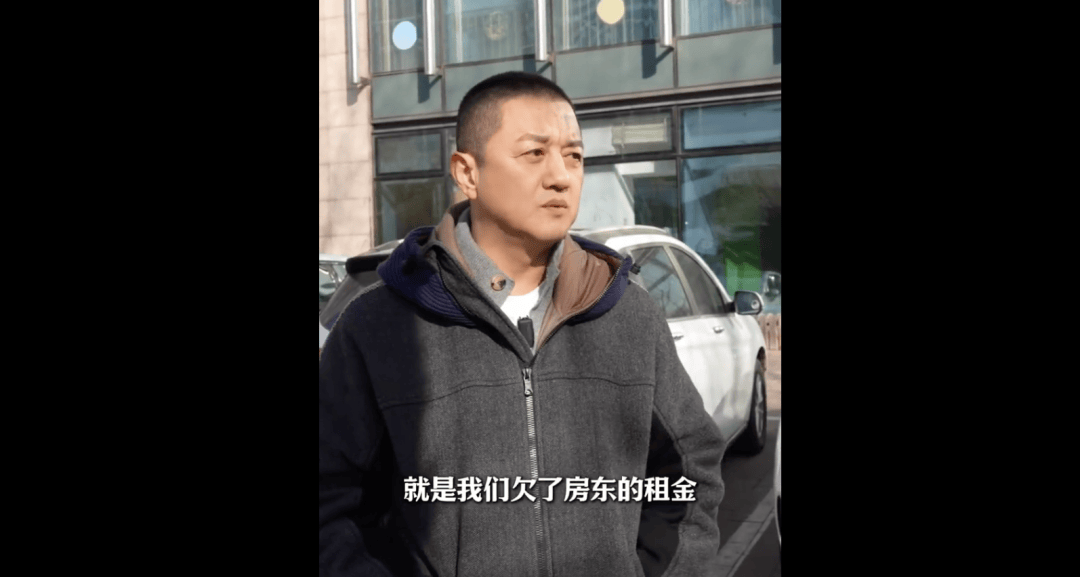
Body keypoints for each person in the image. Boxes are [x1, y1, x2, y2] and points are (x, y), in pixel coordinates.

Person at [319, 71, 725, 577]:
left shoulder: (628, 314)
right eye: (534, 153)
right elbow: (331, 503)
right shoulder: (380, 326)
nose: (561, 176)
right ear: (467, 173)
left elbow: (691, 468)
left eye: (574, 156)